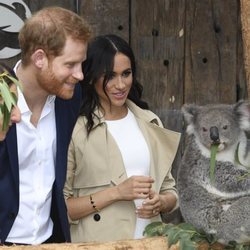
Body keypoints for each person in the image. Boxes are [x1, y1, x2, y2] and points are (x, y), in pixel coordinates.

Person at [64, 34, 181, 242]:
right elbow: (62, 208)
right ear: (91, 77)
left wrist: (162, 202)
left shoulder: (150, 121)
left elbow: (170, 191)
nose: (120, 84)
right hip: (99, 244)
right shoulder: (76, 130)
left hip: (150, 242)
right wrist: (116, 193)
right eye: (110, 76)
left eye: (126, 74)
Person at [0, 7, 91, 245]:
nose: (80, 74)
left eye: (81, 64)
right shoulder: (1, 98)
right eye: (70, 64)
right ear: (40, 58)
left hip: (51, 240)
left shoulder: (69, 99)